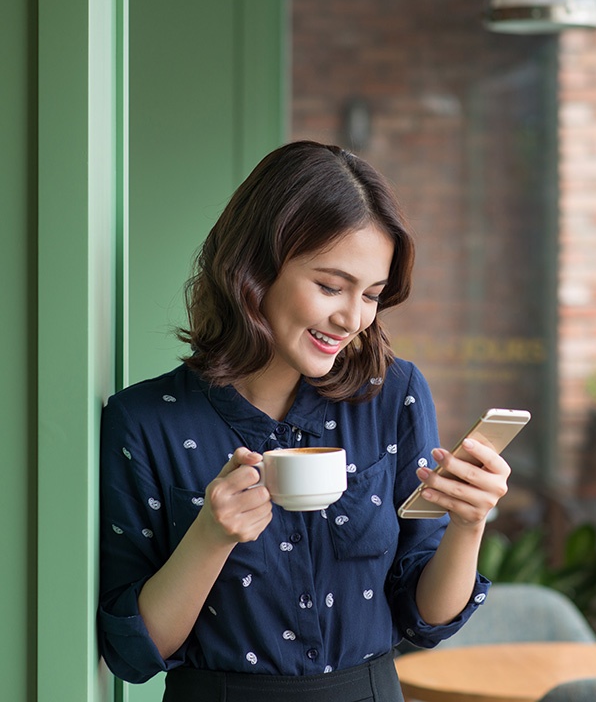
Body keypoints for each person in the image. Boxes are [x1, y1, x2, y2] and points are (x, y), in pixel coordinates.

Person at [97, 141, 511, 701]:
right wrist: (211, 536)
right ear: (255, 269)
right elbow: (134, 652)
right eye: (330, 286)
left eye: (372, 295)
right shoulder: (145, 422)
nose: (352, 318)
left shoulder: (393, 396)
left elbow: (426, 618)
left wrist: (468, 522)